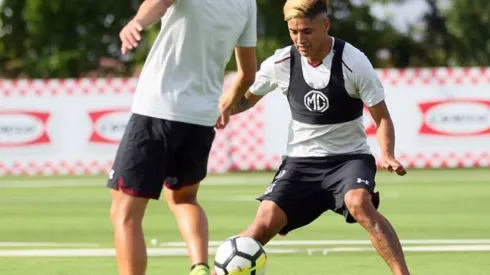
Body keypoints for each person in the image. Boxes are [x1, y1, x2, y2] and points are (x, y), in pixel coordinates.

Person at [214, 0, 411, 274]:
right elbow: (246, 100)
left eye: (306, 31)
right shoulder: (281, 62)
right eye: (293, 31)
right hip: (300, 164)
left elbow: (382, 118)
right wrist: (219, 110)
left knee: (360, 204)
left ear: (325, 25)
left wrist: (387, 153)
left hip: (348, 159)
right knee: (261, 224)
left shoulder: (353, 61)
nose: (299, 39)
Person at [107, 1, 258, 275]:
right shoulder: (247, 2)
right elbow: (248, 74)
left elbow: (161, 1)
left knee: (124, 214)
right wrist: (227, 103)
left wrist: (137, 22)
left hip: (158, 109)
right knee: (184, 199)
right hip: (201, 118)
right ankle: (199, 267)